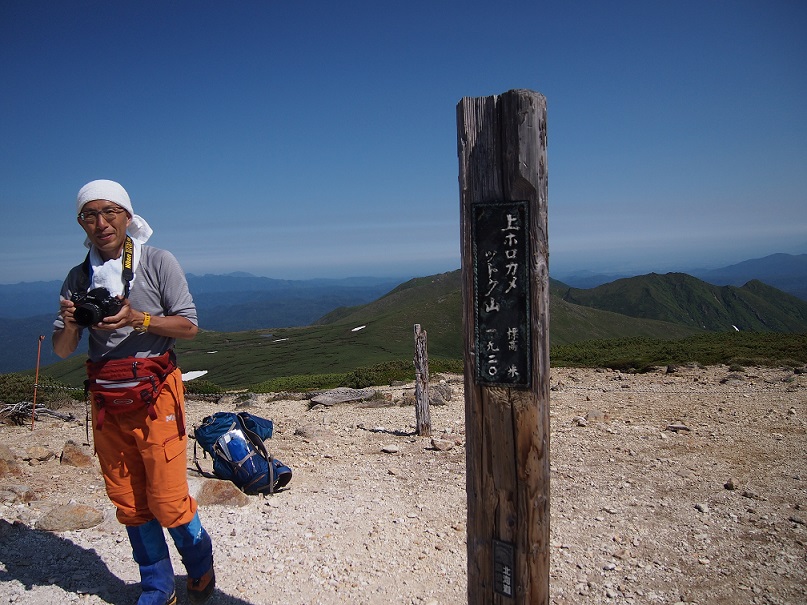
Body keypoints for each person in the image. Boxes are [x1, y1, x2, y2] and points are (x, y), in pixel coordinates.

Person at [53, 179, 215, 605]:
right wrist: (72, 322)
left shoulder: (158, 262)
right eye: (90, 215)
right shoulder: (77, 277)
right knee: (127, 499)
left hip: (156, 393)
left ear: (127, 215)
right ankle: (157, 586)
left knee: (167, 498)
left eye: (110, 212)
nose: (101, 223)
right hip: (107, 399)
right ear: (81, 223)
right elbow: (62, 349)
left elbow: (190, 326)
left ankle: (200, 565)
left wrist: (138, 319)